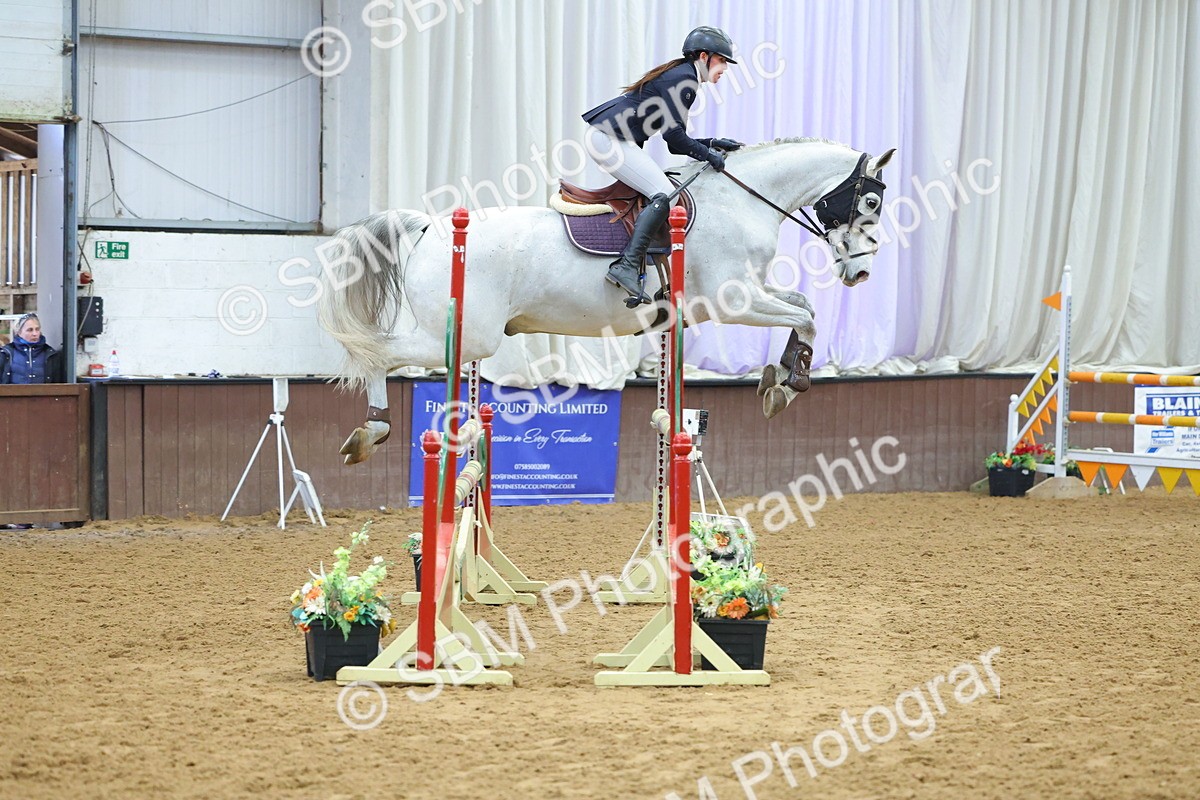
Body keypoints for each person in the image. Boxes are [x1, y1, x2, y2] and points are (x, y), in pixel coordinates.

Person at [582, 26, 744, 304]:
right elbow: (674, 138)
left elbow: (674, 142)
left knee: (659, 190)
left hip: (611, 137)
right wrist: (708, 155)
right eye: (721, 61)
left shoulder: (684, 77)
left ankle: (643, 266)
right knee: (665, 194)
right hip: (609, 139)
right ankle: (626, 265)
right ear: (703, 57)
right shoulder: (685, 80)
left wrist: (712, 142)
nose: (725, 69)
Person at [0, 313, 62, 384]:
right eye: (30, 330)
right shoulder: (6, 353)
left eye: (37, 329)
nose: (35, 334)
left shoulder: (50, 354)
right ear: (19, 332)